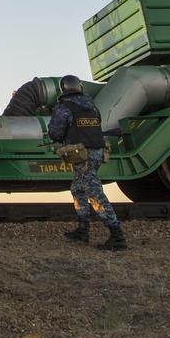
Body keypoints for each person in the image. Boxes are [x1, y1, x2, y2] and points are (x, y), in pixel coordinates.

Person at [48, 74, 126, 251]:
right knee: (78, 188)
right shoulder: (92, 106)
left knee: (94, 192)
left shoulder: (64, 106)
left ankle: (117, 235)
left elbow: (55, 132)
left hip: (82, 155)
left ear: (63, 88)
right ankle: (83, 230)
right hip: (97, 151)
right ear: (79, 87)